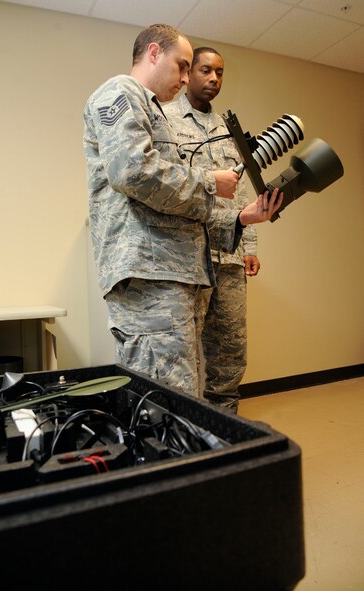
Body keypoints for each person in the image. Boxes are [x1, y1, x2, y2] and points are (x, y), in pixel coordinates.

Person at [82, 24, 282, 397]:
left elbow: (177, 204)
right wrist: (209, 182)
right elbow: (133, 171)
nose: (188, 77)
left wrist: (240, 218)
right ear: (154, 53)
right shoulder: (121, 92)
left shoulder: (153, 110)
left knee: (181, 393)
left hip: (176, 273)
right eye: (183, 66)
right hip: (150, 274)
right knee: (164, 398)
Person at [164, 47, 260, 411]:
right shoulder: (166, 119)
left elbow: (244, 192)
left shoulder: (228, 130)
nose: (214, 79)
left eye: (220, 73)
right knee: (183, 351)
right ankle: (187, 429)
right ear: (189, 73)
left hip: (230, 255)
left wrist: (249, 245)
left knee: (231, 349)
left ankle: (225, 423)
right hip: (189, 257)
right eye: (206, 70)